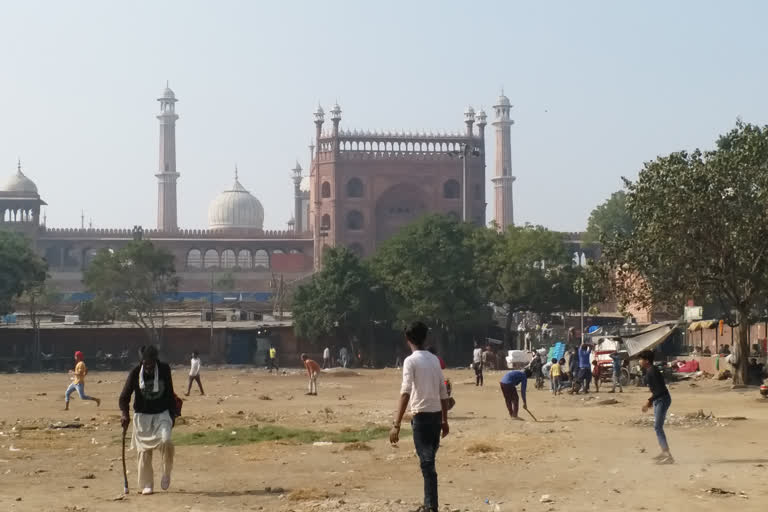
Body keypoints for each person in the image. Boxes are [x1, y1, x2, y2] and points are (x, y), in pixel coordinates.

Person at [390, 321, 450, 512]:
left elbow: (405, 391)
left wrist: (396, 424)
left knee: (427, 464)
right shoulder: (434, 359)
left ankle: (431, 506)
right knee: (429, 461)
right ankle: (429, 503)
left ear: (407, 339)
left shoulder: (410, 361)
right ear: (425, 338)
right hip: (436, 417)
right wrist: (444, 420)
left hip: (422, 418)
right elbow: (443, 392)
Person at [119, 346, 179, 495]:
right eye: (146, 364)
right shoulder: (135, 373)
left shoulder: (164, 370)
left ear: (156, 361)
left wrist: (173, 415)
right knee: (144, 452)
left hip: (162, 414)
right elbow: (124, 397)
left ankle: (166, 472)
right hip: (142, 416)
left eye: (151, 364)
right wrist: (124, 414)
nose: (149, 367)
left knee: (166, 441)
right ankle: (147, 484)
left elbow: (170, 393)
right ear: (142, 362)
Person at [638, 350, 673, 465]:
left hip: (662, 399)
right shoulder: (650, 370)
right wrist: (651, 401)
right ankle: (664, 452)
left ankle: (667, 455)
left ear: (647, 361)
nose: (639, 361)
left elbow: (660, 390)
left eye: (641, 359)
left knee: (658, 427)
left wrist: (649, 401)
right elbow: (657, 390)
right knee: (658, 427)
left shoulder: (652, 371)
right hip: (660, 399)